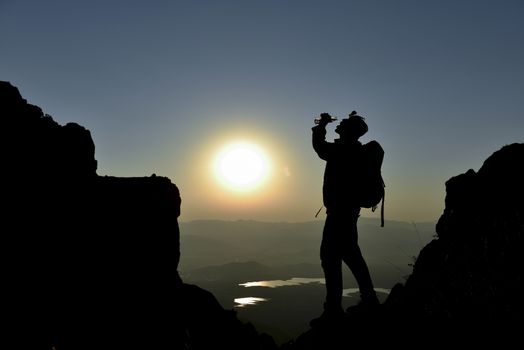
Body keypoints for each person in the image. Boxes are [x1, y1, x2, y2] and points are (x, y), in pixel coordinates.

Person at [310, 111, 380, 326]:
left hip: (339, 212)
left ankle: (333, 309)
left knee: (330, 257)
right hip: (349, 212)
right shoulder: (356, 150)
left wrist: (321, 125)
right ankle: (369, 300)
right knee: (351, 254)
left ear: (349, 131)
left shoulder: (343, 149)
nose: (339, 125)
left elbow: (320, 147)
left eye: (344, 124)